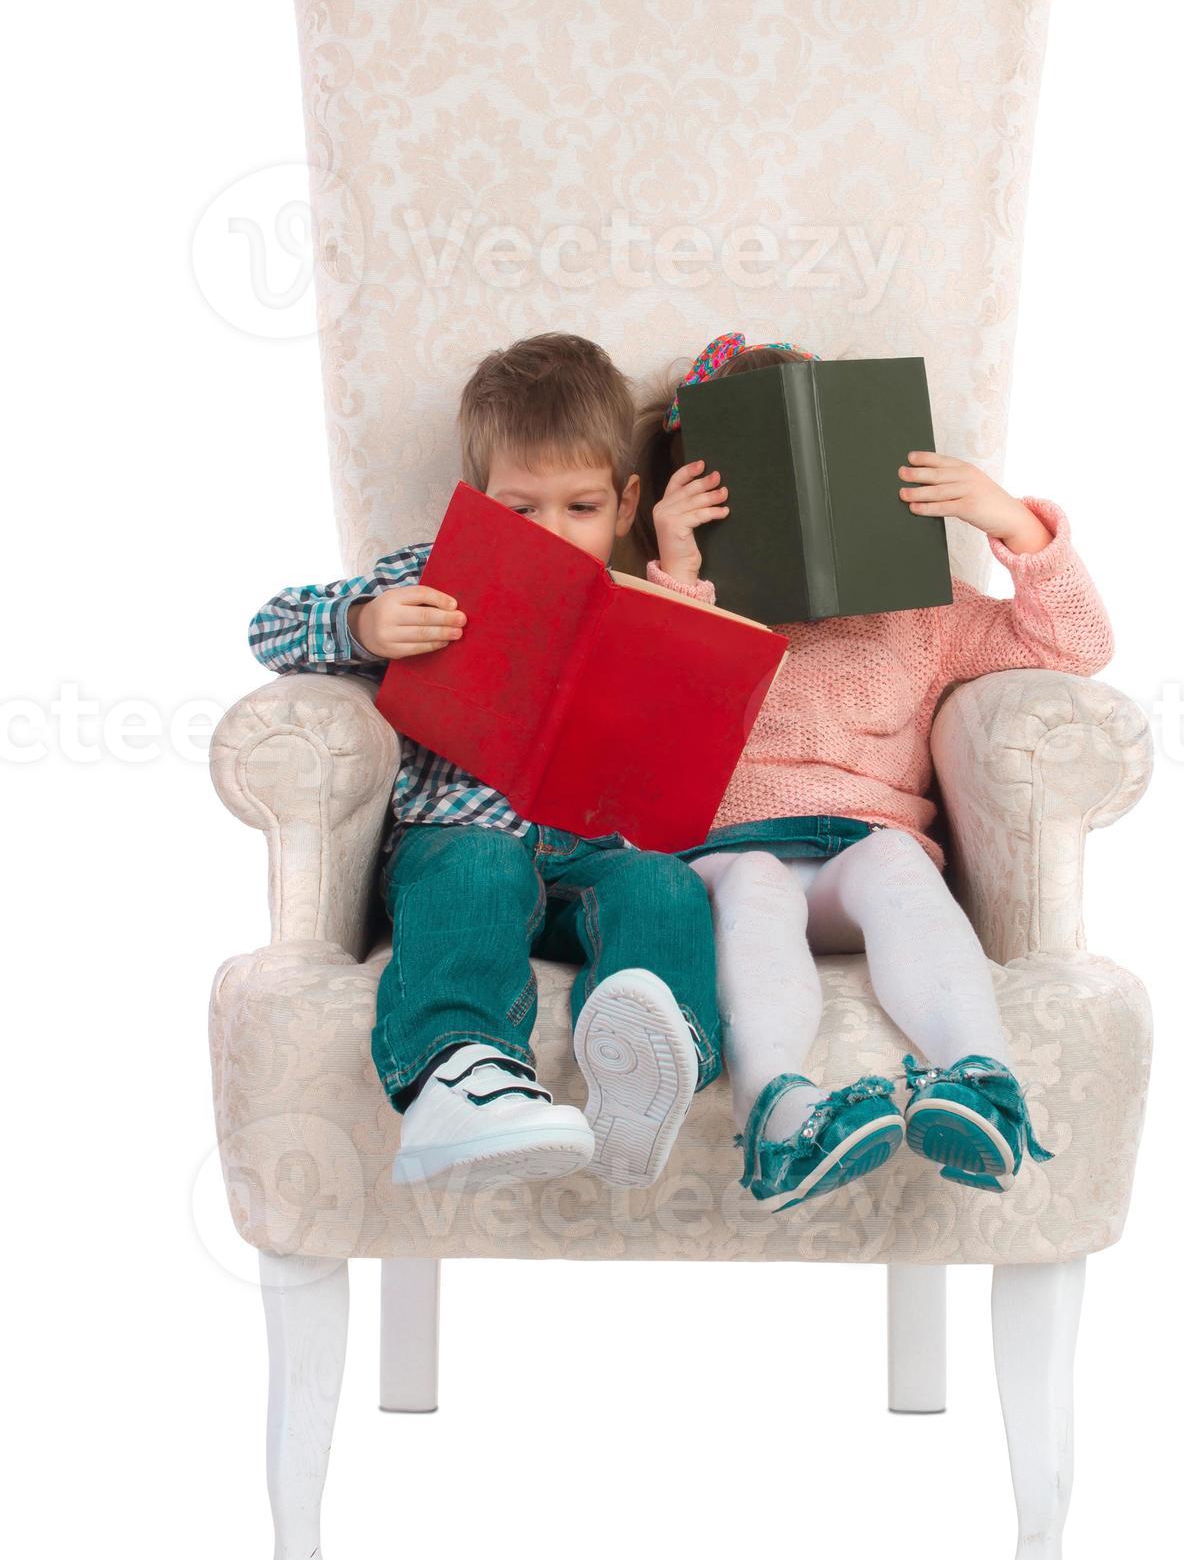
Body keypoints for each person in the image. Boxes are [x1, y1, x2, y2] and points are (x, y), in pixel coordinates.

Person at [631, 332, 1114, 1211]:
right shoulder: (690, 611)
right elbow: (644, 717)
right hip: (731, 858)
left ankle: (982, 1085)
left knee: (895, 861)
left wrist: (1013, 524)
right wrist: (684, 577)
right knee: (755, 881)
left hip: (864, 852)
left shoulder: (920, 609)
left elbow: (1073, 645)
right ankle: (779, 1111)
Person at [249, 333, 722, 1192]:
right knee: (478, 869)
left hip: (592, 854)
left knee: (667, 886)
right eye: (519, 511)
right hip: (459, 839)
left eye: (579, 508)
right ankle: (458, 1073)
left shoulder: (645, 598)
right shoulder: (429, 576)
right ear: (475, 504)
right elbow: (269, 626)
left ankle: (649, 1059)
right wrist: (366, 624)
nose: (549, 534)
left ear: (623, 504)